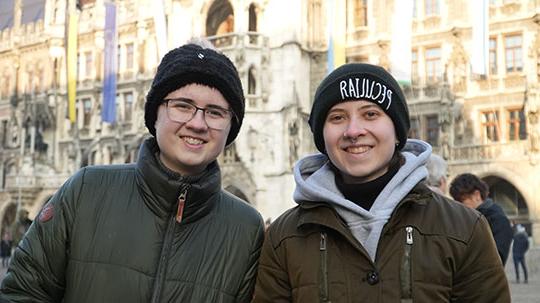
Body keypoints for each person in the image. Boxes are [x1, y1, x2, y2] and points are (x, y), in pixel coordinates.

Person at [0, 41, 265, 302]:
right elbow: (22, 293)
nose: (197, 123)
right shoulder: (86, 191)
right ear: (155, 112)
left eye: (215, 112)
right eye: (182, 105)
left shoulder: (247, 229)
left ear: (232, 126)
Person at [253, 63, 510, 302]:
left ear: (397, 131)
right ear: (322, 136)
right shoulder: (283, 237)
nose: (353, 131)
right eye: (337, 118)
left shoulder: (465, 229)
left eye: (371, 114)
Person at [449, 173, 513, 265]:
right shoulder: (467, 218)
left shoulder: (498, 220)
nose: (459, 206)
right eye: (456, 202)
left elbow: (497, 260)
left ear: (477, 195)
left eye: (462, 201)